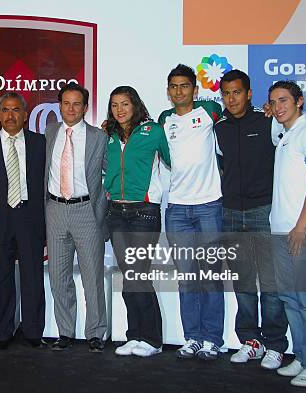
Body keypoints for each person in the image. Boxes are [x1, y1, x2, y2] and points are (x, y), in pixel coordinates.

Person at [215, 69, 288, 369]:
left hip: (263, 212)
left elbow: (295, 143)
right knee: (243, 282)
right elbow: (221, 167)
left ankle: (275, 344)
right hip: (231, 213)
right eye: (227, 93)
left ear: (248, 94)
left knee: (270, 283)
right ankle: (250, 340)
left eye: (237, 92)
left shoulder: (268, 122)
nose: (232, 99)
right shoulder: (218, 129)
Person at [158, 64, 225, 360]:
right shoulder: (164, 119)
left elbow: (238, 117)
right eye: (173, 86)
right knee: (187, 278)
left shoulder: (209, 110)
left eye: (184, 86)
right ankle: (193, 337)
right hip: (177, 209)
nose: (178, 91)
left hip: (210, 205)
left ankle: (212, 338)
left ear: (194, 89)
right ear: (168, 90)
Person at [268, 80, 306, 387]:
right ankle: (303, 356)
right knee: (290, 299)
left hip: (302, 231)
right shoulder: (284, 135)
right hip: (280, 230)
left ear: (299, 101)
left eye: (284, 100)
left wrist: (302, 224)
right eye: (274, 102)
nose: (278, 106)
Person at [104, 86, 171, 357]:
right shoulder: (108, 135)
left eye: (125, 104)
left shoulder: (153, 131)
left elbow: (173, 160)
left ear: (135, 105)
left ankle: (153, 340)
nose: (119, 110)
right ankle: (135, 336)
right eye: (114, 105)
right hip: (116, 213)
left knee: (139, 275)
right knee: (129, 277)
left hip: (144, 212)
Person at [44, 82, 108, 352]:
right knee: (58, 276)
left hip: (86, 211)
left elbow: (112, 170)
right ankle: (65, 333)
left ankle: (95, 333)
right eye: (66, 103)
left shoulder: (99, 137)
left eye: (76, 104)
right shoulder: (48, 133)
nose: (71, 108)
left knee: (92, 276)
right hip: (55, 210)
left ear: (85, 107)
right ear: (60, 105)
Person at [0, 92, 46, 350]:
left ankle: (33, 332)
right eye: (5, 109)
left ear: (25, 114)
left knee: (32, 278)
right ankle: (3, 333)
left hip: (29, 217)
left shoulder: (40, 143)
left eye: (16, 109)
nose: (10, 115)